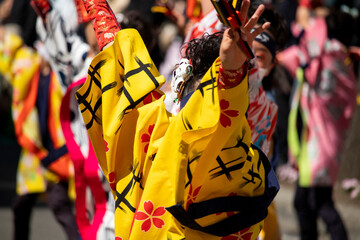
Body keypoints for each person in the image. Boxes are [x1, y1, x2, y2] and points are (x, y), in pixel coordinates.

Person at [77, 0, 279, 239]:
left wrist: (230, 74)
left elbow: (222, 126)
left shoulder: (161, 133)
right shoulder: (158, 128)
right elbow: (123, 62)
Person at [31, 0, 115, 239]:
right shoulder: (81, 59)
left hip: (113, 162)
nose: (93, 27)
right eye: (90, 21)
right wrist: (47, 16)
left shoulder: (116, 62)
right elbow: (63, 49)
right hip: (90, 160)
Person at [278, 1, 357, 239]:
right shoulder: (338, 59)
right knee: (307, 202)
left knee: (316, 203)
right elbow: (299, 57)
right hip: (320, 141)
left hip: (321, 144)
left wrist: (305, 14)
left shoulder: (331, 57)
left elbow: (303, 52)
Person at [0, 24, 79, 240]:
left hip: (58, 152)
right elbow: (11, 52)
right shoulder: (29, 67)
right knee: (21, 205)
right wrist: (6, 33)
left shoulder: (63, 76)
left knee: (59, 205)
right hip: (35, 152)